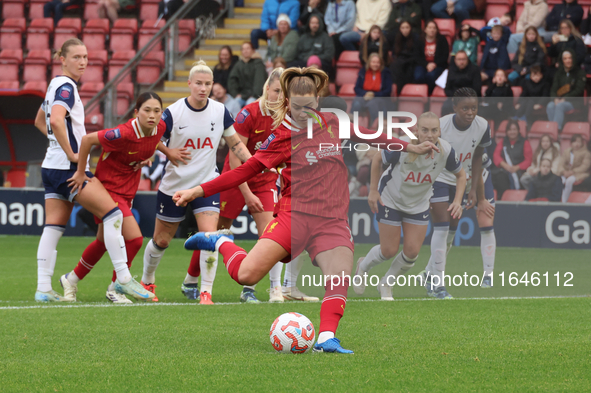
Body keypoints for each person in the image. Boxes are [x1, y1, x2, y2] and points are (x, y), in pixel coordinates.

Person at [174, 67, 438, 353]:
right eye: (297, 107)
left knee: (338, 276)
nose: (303, 112)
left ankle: (326, 337)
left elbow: (373, 135)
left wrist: (411, 146)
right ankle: (222, 241)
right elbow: (244, 171)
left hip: (332, 221)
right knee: (246, 275)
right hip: (293, 217)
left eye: (309, 106)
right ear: (287, 102)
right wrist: (199, 191)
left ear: (318, 101)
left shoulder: (333, 123)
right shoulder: (280, 138)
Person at [33, 38, 153, 302]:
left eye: (85, 57)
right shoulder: (66, 87)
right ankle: (123, 279)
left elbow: (39, 121)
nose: (83, 62)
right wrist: (72, 154)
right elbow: (53, 119)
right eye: (76, 57)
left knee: (53, 227)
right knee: (113, 214)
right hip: (67, 169)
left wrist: (57, 144)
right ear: (62, 59)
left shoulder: (54, 84)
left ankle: (43, 288)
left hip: (50, 167)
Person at [141, 61, 253, 304]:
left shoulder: (220, 111)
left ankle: (206, 293)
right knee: (161, 241)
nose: (203, 88)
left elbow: (235, 144)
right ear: (189, 84)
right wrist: (168, 152)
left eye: (208, 84)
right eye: (199, 83)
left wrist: (256, 163)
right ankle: (147, 280)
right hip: (175, 186)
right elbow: (152, 138)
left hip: (207, 185)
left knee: (209, 237)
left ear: (213, 85)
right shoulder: (173, 112)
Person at [59, 93, 185, 302]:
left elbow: (152, 141)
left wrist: (165, 152)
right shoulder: (123, 133)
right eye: (147, 110)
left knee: (101, 242)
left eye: (157, 111)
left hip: (128, 190)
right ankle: (115, 288)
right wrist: (82, 172)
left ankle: (70, 280)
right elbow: (87, 139)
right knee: (134, 240)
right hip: (108, 189)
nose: (152, 115)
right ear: (136, 112)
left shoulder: (160, 128)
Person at [353, 112, 466, 300]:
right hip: (391, 198)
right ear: (416, 130)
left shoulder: (445, 150)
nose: (429, 135)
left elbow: (461, 175)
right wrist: (373, 190)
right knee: (388, 250)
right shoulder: (402, 145)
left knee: (412, 252)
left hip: (418, 203)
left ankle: (386, 284)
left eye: (434, 130)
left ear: (440, 131)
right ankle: (363, 266)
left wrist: (457, 201)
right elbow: (377, 159)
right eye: (425, 130)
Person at [218, 68, 284, 303]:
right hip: (236, 179)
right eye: (277, 90)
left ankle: (270, 289)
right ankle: (193, 280)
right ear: (267, 89)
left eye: (284, 92)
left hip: (265, 181)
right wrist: (246, 193)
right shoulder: (248, 114)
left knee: (272, 235)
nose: (280, 96)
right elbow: (236, 157)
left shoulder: (286, 117)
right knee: (217, 231)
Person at [423, 87, 494, 298]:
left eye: (474, 108)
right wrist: (424, 187)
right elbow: (426, 153)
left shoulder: (482, 126)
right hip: (439, 178)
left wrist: (475, 190)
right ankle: (438, 286)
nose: (470, 112)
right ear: (455, 108)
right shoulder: (441, 125)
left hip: (462, 180)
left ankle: (428, 274)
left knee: (451, 233)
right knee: (442, 228)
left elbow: (477, 157)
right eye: (465, 108)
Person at [491, 119, 533, 199]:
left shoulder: (524, 142)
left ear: (518, 131)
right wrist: (505, 165)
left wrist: (517, 167)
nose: (512, 132)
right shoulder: (503, 141)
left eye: (514, 130)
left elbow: (528, 160)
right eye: (510, 130)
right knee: (496, 176)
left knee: (502, 178)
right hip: (505, 169)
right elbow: (496, 155)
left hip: (519, 171)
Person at [546, 49, 586, 130]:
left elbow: (578, 90)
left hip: (574, 102)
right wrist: (555, 99)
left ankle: (556, 130)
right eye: (565, 58)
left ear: (573, 59)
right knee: (550, 105)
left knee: (560, 106)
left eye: (570, 58)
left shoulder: (580, 73)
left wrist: (565, 99)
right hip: (559, 100)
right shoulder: (558, 73)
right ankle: (553, 129)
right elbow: (553, 89)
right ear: (562, 60)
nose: (568, 61)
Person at [351, 53, 393, 125]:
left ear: (381, 64)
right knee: (357, 103)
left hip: (379, 97)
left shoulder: (385, 72)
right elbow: (356, 88)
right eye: (373, 62)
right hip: (365, 95)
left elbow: (388, 90)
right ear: (369, 63)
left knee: (372, 104)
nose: (375, 64)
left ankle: (375, 126)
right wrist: (365, 94)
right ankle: (350, 124)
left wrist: (374, 94)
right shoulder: (363, 71)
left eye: (378, 62)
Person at [228, 42, 269, 108]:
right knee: (233, 104)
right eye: (243, 49)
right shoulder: (239, 64)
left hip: (256, 96)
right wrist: (235, 94)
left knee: (249, 105)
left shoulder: (258, 63)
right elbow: (232, 80)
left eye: (247, 48)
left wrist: (254, 95)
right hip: (242, 95)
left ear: (253, 50)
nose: (245, 51)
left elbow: (259, 81)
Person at [415, 20, 449, 94]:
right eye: (430, 28)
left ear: (437, 30)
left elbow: (445, 56)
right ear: (425, 29)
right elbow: (417, 56)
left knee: (431, 76)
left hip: (438, 65)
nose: (432, 30)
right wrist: (426, 65)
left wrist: (434, 64)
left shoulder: (442, 40)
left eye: (434, 28)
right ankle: (421, 94)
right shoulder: (419, 40)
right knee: (418, 76)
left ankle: (429, 94)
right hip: (423, 64)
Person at [391, 21, 422, 94]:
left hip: (412, 61)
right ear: (400, 29)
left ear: (410, 28)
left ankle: (404, 91)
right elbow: (394, 53)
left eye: (407, 27)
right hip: (400, 61)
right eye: (403, 28)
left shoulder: (416, 37)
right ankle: (396, 91)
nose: (405, 30)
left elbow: (417, 54)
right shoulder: (397, 38)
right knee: (394, 66)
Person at [557, 134, 591, 202]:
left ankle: (564, 201)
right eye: (575, 142)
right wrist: (563, 171)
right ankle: (557, 199)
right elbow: (561, 163)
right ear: (571, 143)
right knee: (560, 180)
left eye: (579, 142)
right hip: (566, 173)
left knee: (569, 181)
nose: (576, 144)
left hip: (579, 174)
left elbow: (584, 166)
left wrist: (573, 172)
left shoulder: (586, 153)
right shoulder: (567, 151)